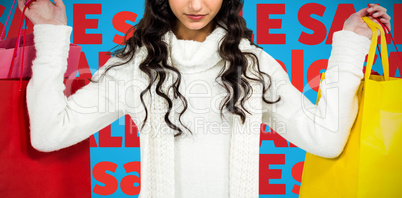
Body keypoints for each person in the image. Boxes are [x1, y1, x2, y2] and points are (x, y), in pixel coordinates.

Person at [18, 0, 391, 197]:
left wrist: (351, 44)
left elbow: (324, 138)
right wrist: (51, 37)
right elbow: (50, 133)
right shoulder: (135, 66)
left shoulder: (254, 66)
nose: (196, 6)